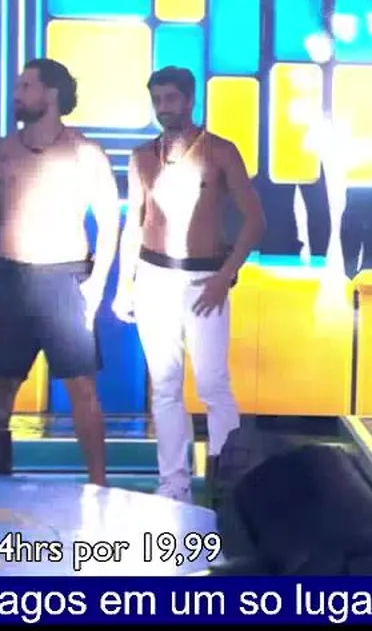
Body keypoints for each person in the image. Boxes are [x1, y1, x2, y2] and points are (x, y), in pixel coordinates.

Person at [112, 66, 265, 503]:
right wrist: (124, 286)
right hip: (153, 278)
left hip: (204, 279)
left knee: (213, 384)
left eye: (171, 99)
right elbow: (134, 224)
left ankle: (229, 485)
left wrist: (224, 276)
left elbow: (255, 221)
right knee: (164, 386)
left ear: (190, 100)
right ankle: (174, 484)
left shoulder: (220, 152)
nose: (164, 108)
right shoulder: (142, 156)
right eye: (157, 100)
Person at [0, 58, 118, 486]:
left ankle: (98, 483)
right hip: (12, 280)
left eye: (26, 86)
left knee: (82, 387)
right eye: (17, 86)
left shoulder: (86, 153)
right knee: (0, 389)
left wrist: (97, 283)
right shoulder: (1, 153)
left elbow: (110, 223)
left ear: (51, 93)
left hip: (66, 282)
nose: (17, 94)